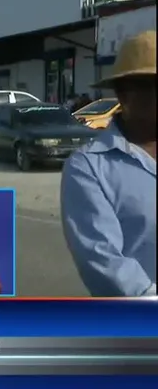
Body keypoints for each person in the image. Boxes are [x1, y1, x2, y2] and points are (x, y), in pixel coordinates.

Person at [61, 30, 156, 297]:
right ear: (124, 94)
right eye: (152, 85)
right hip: (138, 327)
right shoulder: (88, 167)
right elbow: (101, 259)